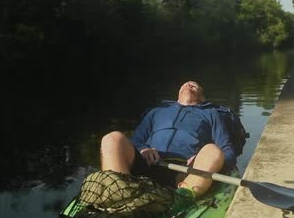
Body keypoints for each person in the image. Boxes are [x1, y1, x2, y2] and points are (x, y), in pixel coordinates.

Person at [99, 81, 237, 199]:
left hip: (186, 172)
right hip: (147, 165)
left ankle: (183, 199)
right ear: (178, 93)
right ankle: (118, 195)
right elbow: (136, 141)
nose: (189, 84)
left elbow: (227, 151)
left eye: (194, 85)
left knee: (213, 150)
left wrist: (201, 158)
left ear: (203, 97)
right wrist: (143, 149)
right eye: (185, 84)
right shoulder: (156, 111)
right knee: (112, 138)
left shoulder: (212, 114)